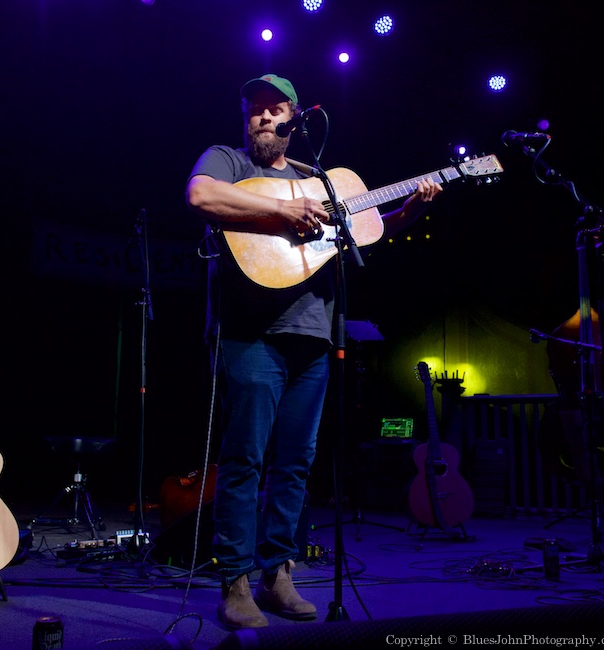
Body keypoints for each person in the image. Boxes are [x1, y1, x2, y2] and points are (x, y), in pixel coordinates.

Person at [185, 73, 442, 630]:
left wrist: (411, 212)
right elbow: (201, 195)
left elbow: (364, 235)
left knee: (296, 463)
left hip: (314, 335)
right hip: (250, 334)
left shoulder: (320, 179)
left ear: (295, 118)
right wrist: (283, 213)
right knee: (245, 459)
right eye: (255, 108)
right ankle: (235, 581)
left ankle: (278, 572)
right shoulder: (228, 160)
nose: (263, 116)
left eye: (275, 108)